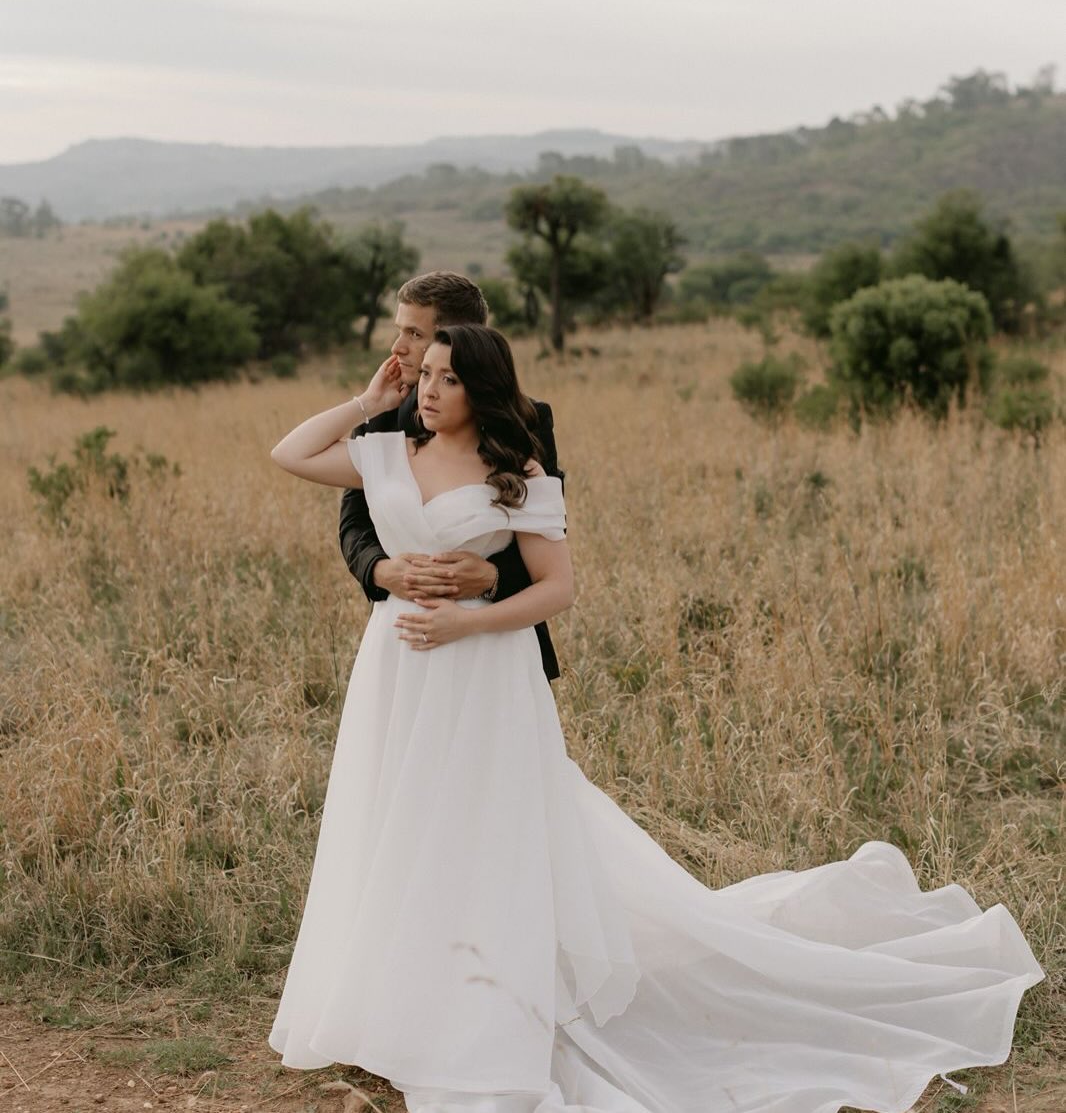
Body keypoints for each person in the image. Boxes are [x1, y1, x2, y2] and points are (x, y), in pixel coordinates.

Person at [268, 324, 1043, 1113]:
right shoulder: (386, 451)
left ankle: (483, 999)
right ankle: (400, 991)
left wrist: (468, 618)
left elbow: (556, 587)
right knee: (393, 815)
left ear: (484, 390)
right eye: (424, 374)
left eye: (447, 378)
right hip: (396, 665)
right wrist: (369, 402)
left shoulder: (519, 474)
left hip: (482, 669)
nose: (428, 389)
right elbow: (289, 453)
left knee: (478, 826)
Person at [338, 271, 564, 682]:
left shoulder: (528, 420)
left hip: (495, 641)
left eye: (414, 333)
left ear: (460, 339)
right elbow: (354, 522)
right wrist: (380, 570)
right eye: (398, 331)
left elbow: (545, 531)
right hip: (403, 636)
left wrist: (493, 579)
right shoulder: (382, 419)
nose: (397, 347)